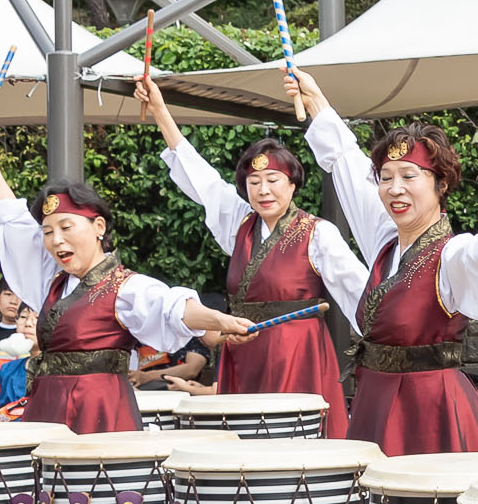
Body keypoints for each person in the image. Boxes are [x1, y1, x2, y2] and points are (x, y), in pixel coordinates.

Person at [290, 69, 478, 455]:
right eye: (385, 177)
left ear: (441, 183)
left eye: (409, 176)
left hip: (431, 412)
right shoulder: (384, 242)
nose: (394, 188)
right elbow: (346, 164)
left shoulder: (448, 254)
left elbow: (475, 250)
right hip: (374, 401)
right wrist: (316, 102)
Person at [0, 122, 255, 432]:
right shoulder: (52, 283)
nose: (56, 240)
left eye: (66, 228)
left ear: (98, 227)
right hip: (46, 402)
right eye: (47, 231)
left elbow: (172, 306)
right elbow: (13, 220)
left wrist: (220, 321)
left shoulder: (124, 287)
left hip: (98, 406)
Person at [141, 73, 359, 436]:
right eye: (254, 183)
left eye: (273, 181)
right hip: (242, 348)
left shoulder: (317, 232)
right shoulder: (239, 225)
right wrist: (161, 111)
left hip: (297, 351)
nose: (263, 190)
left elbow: (358, 290)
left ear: (292, 185)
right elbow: (202, 180)